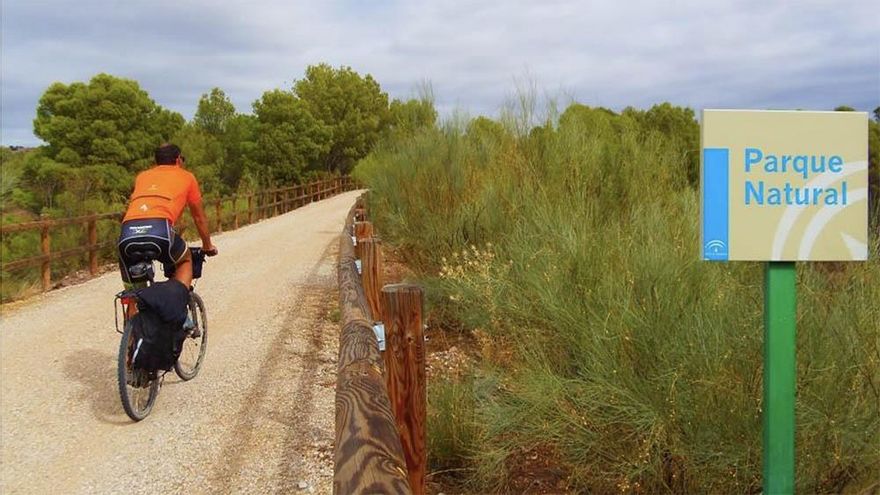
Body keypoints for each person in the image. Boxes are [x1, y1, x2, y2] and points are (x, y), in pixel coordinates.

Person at [117, 143, 218, 292]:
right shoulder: (187, 177)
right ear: (178, 160)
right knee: (185, 260)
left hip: (127, 235)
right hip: (159, 231)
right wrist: (207, 246)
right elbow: (199, 218)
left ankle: (133, 309)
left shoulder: (142, 176)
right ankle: (178, 306)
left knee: (133, 294)